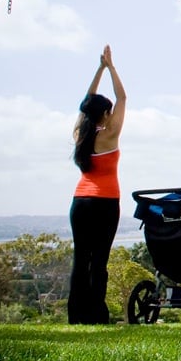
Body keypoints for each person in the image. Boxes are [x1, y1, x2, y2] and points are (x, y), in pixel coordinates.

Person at [69, 45, 126, 325]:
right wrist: (111, 67)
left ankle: (76, 315)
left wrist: (99, 69)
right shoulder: (110, 133)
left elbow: (86, 102)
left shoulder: (81, 131)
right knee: (99, 259)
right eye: (109, 110)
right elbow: (122, 96)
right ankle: (96, 314)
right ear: (105, 113)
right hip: (105, 202)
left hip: (80, 202)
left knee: (81, 259)